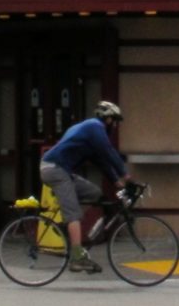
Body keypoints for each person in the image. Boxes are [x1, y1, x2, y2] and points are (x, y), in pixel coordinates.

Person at [40, 100, 131, 273]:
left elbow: (100, 160)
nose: (116, 126)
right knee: (73, 214)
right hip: (54, 169)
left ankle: (67, 224)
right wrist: (124, 173)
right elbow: (108, 151)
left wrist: (115, 181)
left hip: (62, 170)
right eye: (116, 121)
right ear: (109, 119)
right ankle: (77, 258)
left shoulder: (89, 131)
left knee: (95, 193)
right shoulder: (94, 127)